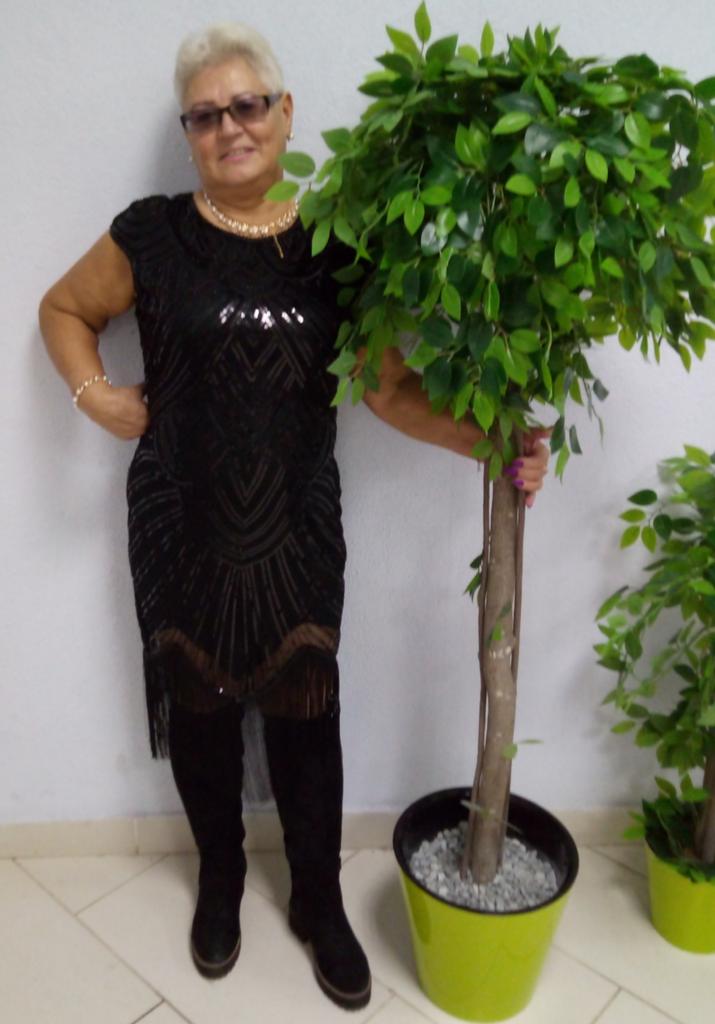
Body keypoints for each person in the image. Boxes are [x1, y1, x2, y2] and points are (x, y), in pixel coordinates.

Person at [38, 22, 550, 1012]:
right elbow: (65, 309)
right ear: (188, 133)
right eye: (204, 115)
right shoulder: (150, 235)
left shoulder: (339, 244)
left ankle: (317, 899)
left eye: (246, 105)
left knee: (306, 713)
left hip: (297, 525)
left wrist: (491, 443)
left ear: (284, 113)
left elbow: (387, 389)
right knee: (198, 708)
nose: (228, 127)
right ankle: (221, 879)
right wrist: (94, 395)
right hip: (179, 523)